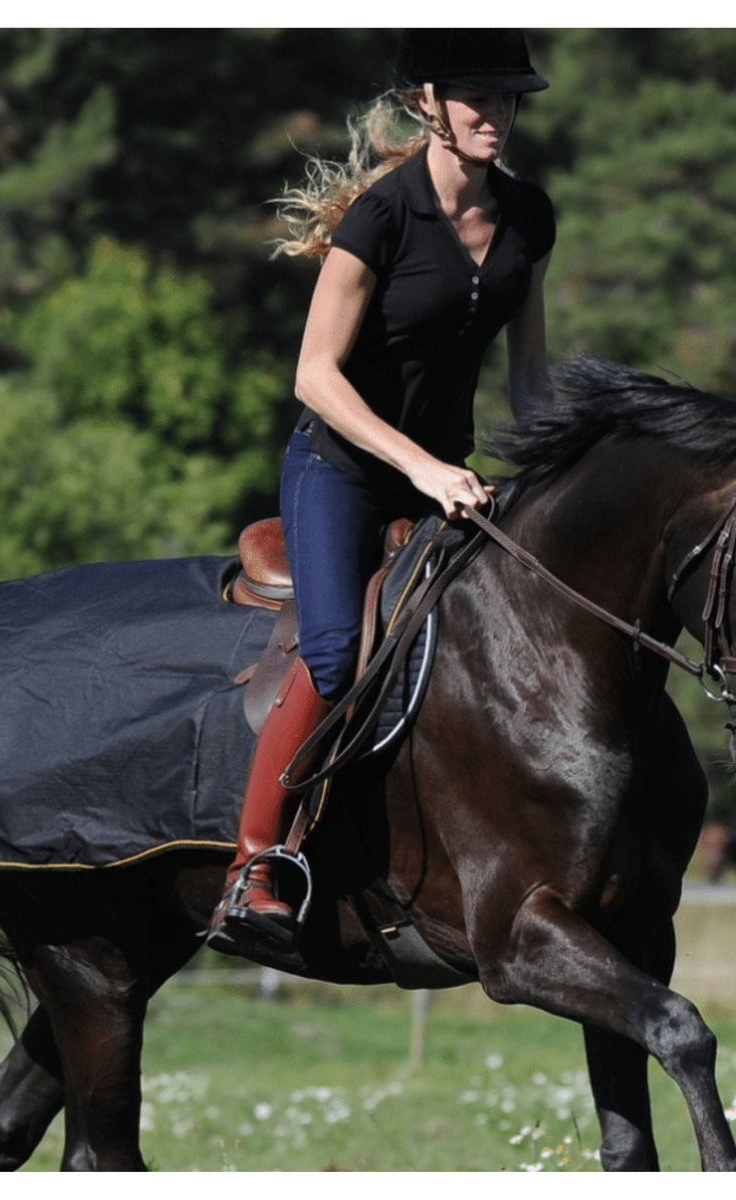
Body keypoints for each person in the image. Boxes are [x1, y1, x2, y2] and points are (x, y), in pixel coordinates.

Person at [207, 29, 556, 954]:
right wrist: (423, 467)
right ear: (428, 104)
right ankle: (255, 865)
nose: (496, 114)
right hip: (345, 472)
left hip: (452, 479)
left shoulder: (529, 218)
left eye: (509, 96)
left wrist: (560, 461)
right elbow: (315, 377)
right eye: (476, 96)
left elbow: (530, 378)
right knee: (332, 657)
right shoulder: (382, 218)